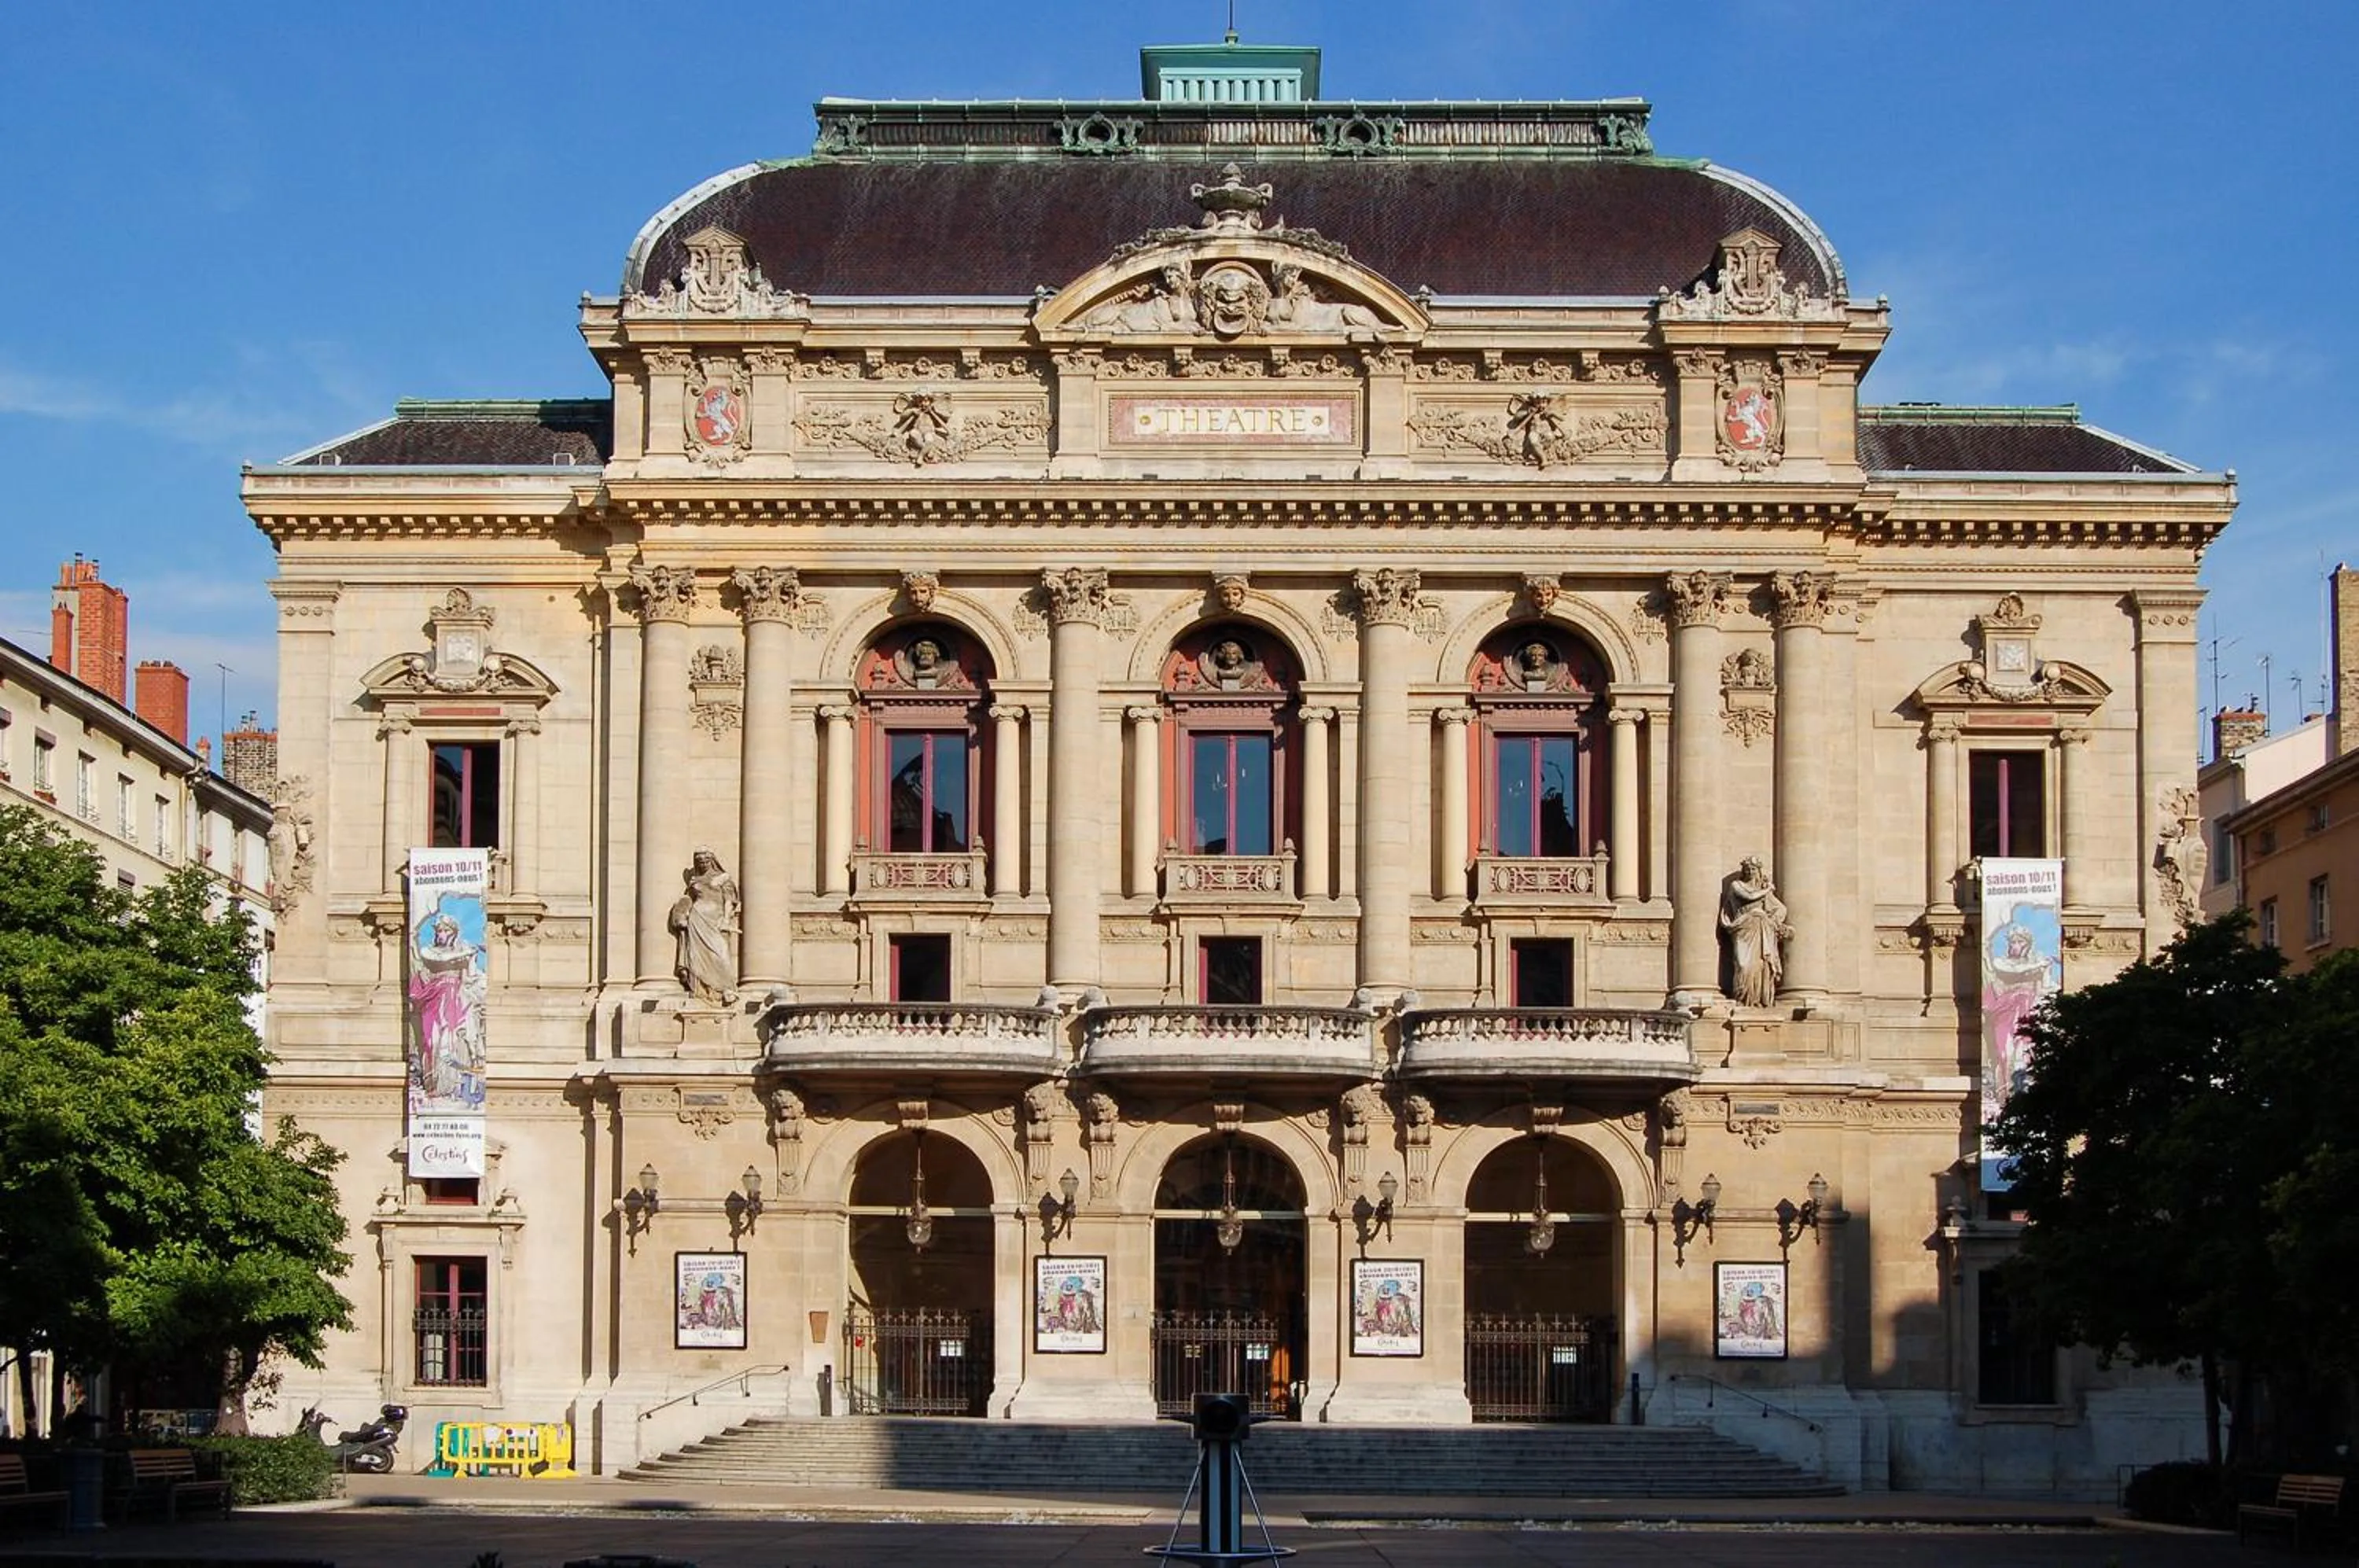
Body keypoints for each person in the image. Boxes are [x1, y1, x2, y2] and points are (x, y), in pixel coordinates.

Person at [409, 910, 482, 1110]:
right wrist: (466, 952)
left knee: (451, 1041)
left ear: (453, 933)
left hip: (453, 1000)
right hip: (433, 999)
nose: (441, 934)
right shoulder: (430, 951)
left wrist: (472, 960)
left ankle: (450, 1086)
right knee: (431, 1040)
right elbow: (436, 960)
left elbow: (468, 979)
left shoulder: (463, 955)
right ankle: (432, 1083)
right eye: (439, 930)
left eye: (445, 930)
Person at [669, 848, 741, 1005]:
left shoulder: (724, 878)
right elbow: (687, 900)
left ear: (712, 861)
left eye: (705, 861)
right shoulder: (694, 880)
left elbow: (729, 901)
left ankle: (726, 988)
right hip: (697, 918)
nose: (702, 864)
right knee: (697, 956)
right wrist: (681, 913)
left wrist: (726, 920)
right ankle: (702, 989)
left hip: (716, 919)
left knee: (720, 954)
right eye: (699, 861)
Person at [1719, 855, 1792, 1007]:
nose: (1751, 872)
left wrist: (1775, 921)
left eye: (1754, 869)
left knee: (1761, 964)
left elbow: (1780, 909)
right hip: (1743, 927)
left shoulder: (1763, 890)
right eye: (1748, 869)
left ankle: (1759, 1000)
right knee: (1744, 965)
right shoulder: (1737, 885)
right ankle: (1743, 998)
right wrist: (1767, 890)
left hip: (1761, 927)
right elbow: (1749, 896)